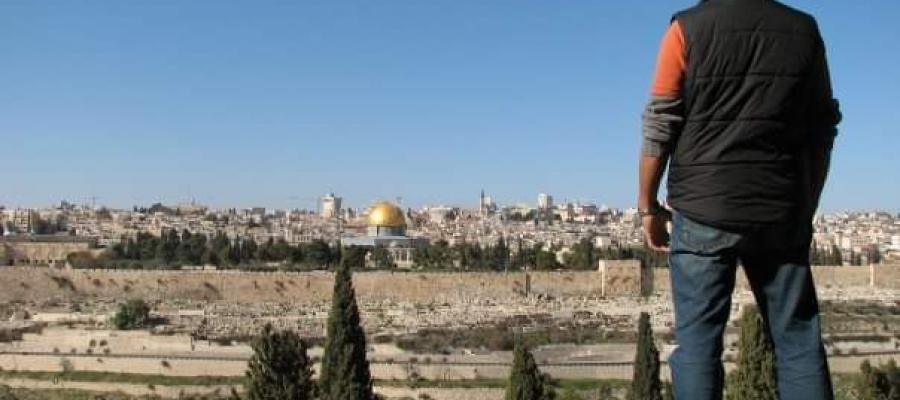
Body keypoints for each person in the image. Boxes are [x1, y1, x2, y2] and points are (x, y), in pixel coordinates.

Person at [637, 0, 841, 399]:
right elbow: (822, 129)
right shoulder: (804, 31)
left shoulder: (686, 29)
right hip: (780, 207)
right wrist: (807, 202)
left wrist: (647, 205)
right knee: (798, 343)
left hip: (702, 209)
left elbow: (660, 124)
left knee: (698, 348)